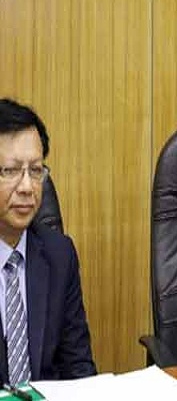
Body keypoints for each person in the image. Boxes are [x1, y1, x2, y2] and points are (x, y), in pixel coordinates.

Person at [0, 99, 96, 384]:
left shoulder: (59, 255)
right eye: (11, 171)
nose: (27, 187)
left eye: (36, 170)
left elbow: (78, 367)